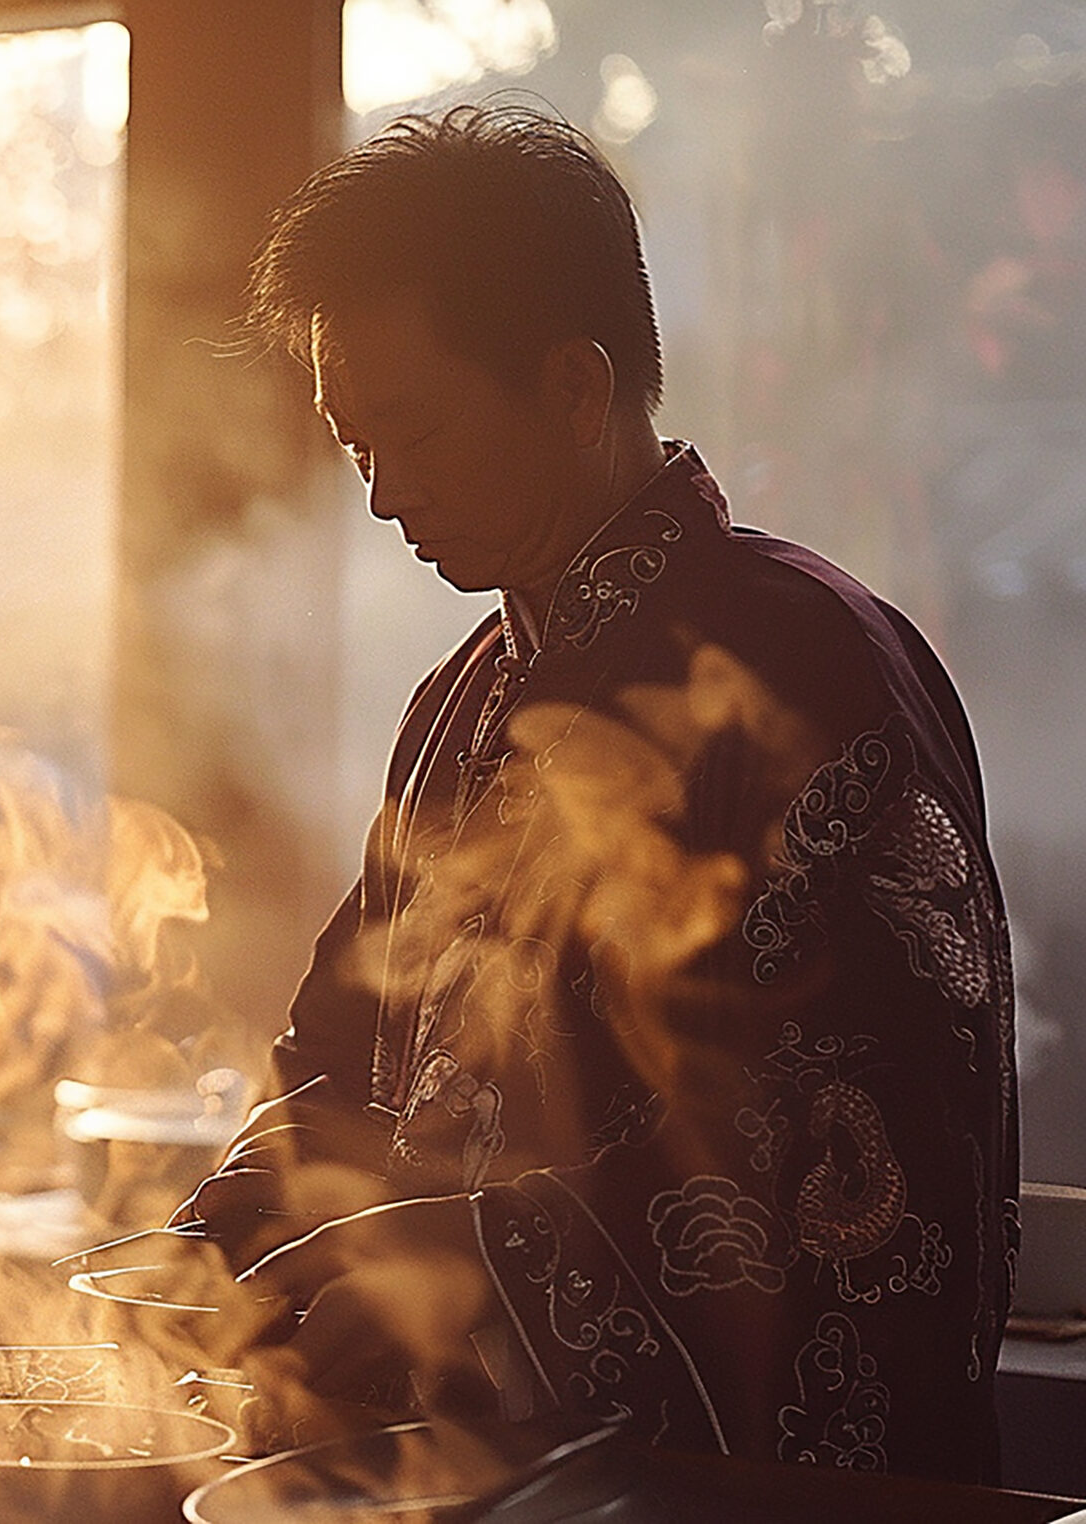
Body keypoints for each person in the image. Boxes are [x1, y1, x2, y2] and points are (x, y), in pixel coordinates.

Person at [161, 104, 1017, 1484]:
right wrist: (235, 1221)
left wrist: (476, 1251)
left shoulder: (805, 676)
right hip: (476, 1480)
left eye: (416, 431)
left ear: (575, 385)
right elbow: (345, 1049)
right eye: (354, 444)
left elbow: (866, 1186)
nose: (383, 496)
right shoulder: (463, 705)